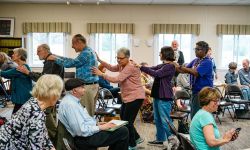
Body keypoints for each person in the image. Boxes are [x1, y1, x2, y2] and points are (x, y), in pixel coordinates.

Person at [92, 47, 145, 150]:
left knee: (127, 122)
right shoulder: (122, 65)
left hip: (135, 97)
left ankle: (132, 144)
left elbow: (117, 79)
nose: (119, 60)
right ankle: (137, 138)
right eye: (117, 58)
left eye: (121, 58)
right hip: (128, 97)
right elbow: (111, 67)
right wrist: (99, 60)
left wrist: (101, 74)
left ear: (128, 57)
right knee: (125, 120)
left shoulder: (130, 66)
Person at [58, 78, 129, 150]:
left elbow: (85, 119)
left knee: (119, 130)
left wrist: (97, 124)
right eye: (82, 87)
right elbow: (80, 131)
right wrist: (100, 127)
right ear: (74, 91)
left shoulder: (73, 101)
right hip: (83, 139)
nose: (84, 90)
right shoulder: (71, 105)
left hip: (85, 136)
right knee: (123, 131)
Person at [16, 43, 65, 145]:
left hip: (49, 94)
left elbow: (43, 79)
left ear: (45, 51)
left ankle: (54, 142)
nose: (37, 53)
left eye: (39, 51)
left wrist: (27, 73)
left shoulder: (50, 61)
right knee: (52, 115)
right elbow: (44, 76)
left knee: (48, 118)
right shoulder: (53, 59)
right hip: (54, 93)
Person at [0, 74, 64, 150]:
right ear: (53, 94)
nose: (59, 96)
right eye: (59, 92)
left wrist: (50, 146)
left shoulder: (34, 101)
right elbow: (35, 147)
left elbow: (42, 134)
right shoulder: (36, 115)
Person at [135, 46, 179, 149]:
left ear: (165, 54)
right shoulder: (164, 65)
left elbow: (156, 73)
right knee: (158, 119)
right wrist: (139, 66)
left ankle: (173, 141)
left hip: (164, 96)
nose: (159, 54)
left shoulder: (170, 66)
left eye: (160, 53)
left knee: (165, 120)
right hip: (158, 95)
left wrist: (140, 67)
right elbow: (152, 68)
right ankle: (160, 139)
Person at [47, 34, 99, 116]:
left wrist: (55, 59)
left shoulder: (86, 53)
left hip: (88, 87)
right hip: (90, 86)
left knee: (86, 113)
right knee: (86, 112)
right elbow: (73, 60)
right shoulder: (88, 51)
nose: (72, 46)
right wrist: (57, 56)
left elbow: (71, 63)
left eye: (73, 43)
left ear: (79, 42)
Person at [175, 41, 213, 118]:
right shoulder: (196, 60)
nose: (195, 50)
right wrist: (174, 65)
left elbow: (196, 73)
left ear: (203, 50)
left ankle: (198, 129)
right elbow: (183, 70)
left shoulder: (207, 62)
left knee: (198, 114)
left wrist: (181, 67)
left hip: (203, 92)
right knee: (194, 113)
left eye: (197, 49)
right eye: (195, 49)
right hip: (195, 91)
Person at [0, 48, 32, 114]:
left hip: (22, 98)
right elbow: (8, 75)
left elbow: (5, 74)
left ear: (19, 56)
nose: (12, 55)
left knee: (15, 118)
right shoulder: (21, 66)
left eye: (14, 54)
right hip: (22, 98)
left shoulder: (21, 68)